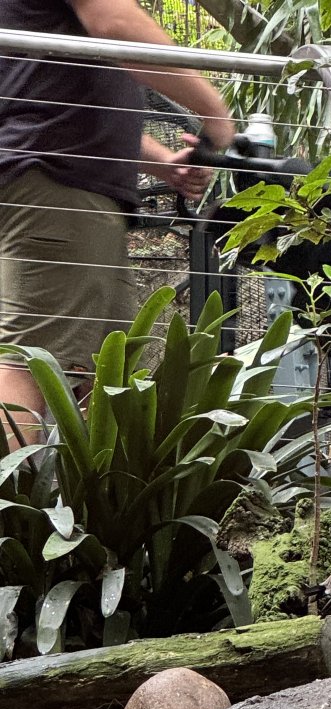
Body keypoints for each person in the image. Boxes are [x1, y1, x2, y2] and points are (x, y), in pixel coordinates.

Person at [0, 0, 236, 443]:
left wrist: (163, 162)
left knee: (107, 373)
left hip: (65, 185)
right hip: (55, 183)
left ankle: (87, 510)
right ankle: (11, 510)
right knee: (29, 365)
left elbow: (43, 84)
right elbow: (114, 23)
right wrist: (216, 113)